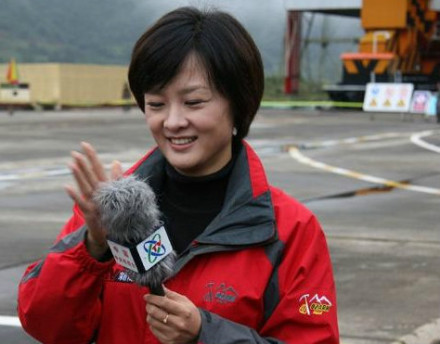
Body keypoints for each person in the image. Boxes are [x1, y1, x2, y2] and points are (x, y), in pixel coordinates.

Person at [18, 7, 339, 344]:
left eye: (194, 102)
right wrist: (92, 248)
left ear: (239, 105)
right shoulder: (110, 210)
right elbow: (44, 323)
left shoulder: (290, 231)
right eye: (156, 104)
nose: (172, 122)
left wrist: (205, 333)